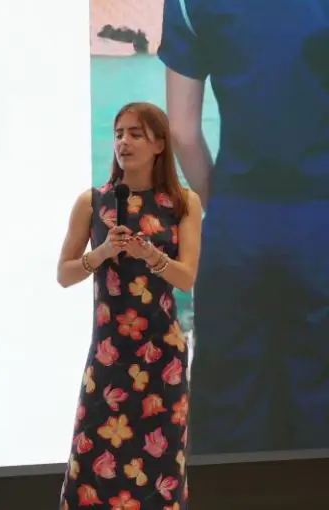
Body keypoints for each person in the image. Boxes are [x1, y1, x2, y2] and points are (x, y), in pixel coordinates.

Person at [158, 0, 329, 454]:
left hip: (237, 222)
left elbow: (182, 133)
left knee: (230, 409)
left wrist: (223, 202)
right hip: (320, 220)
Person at [57, 102, 203, 509]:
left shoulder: (183, 202)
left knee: (159, 469)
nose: (124, 142)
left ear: (159, 144)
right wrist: (101, 253)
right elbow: (64, 274)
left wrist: (150, 255)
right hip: (110, 355)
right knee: (93, 463)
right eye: (119, 133)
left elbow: (187, 277)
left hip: (163, 359)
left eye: (136, 134)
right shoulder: (92, 202)